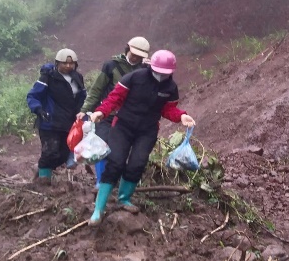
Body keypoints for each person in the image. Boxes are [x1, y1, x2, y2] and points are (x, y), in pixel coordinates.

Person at [86, 49, 195, 225]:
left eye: (165, 73)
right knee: (116, 161)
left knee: (137, 163)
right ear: (152, 67)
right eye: (158, 72)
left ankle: (123, 199)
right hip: (123, 126)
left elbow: (168, 109)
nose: (161, 76)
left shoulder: (170, 88)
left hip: (147, 131)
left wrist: (181, 116)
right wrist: (100, 112)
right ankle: (98, 209)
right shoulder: (134, 78)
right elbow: (113, 99)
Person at [80, 36, 151, 187]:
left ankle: (115, 181)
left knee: (120, 150)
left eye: (140, 56)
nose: (136, 58)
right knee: (103, 145)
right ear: (127, 49)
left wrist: (152, 70)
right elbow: (96, 89)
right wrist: (86, 109)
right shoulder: (111, 65)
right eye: (134, 54)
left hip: (127, 117)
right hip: (106, 114)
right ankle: (101, 181)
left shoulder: (145, 70)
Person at [26, 48, 86, 186]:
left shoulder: (77, 78)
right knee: (50, 151)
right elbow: (33, 95)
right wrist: (39, 109)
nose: (68, 66)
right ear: (57, 63)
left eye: (71, 63)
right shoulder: (48, 77)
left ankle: (40, 169)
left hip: (68, 123)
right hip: (49, 122)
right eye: (64, 63)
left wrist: (84, 112)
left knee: (64, 154)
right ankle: (43, 182)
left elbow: (83, 97)